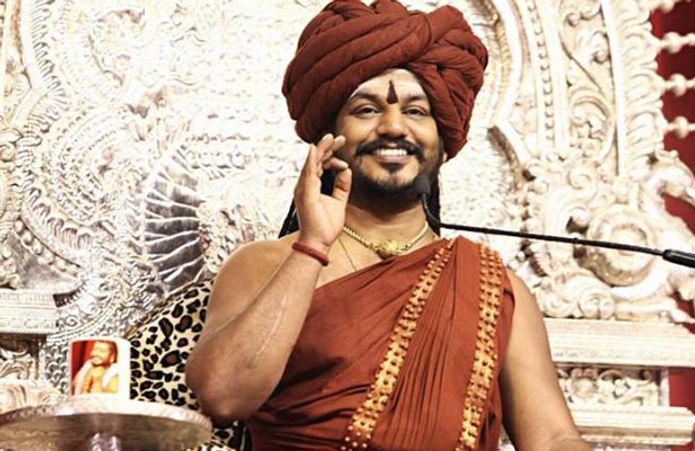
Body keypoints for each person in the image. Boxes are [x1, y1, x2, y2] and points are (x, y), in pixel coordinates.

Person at [186, 1, 590, 450]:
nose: (394, 127)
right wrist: (313, 245)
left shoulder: (495, 289)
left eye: (417, 112)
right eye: (366, 110)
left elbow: (553, 438)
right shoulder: (264, 264)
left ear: (443, 139)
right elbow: (223, 396)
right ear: (329, 138)